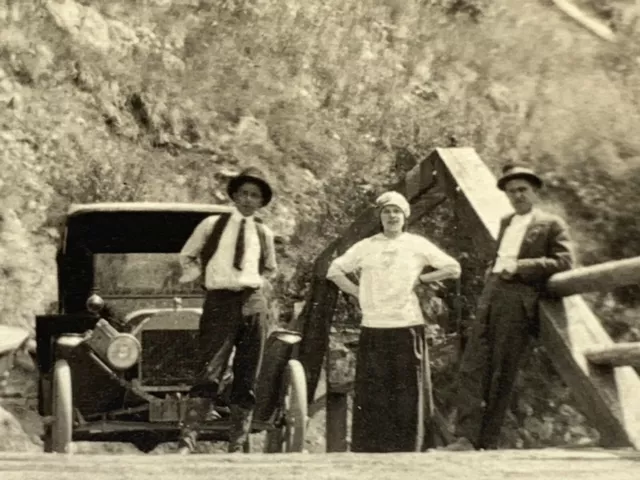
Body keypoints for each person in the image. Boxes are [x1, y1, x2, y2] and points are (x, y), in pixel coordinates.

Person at [444, 164, 575, 451]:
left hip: (519, 297)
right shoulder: (506, 222)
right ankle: (466, 438)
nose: (517, 195)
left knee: (502, 369)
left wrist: (521, 267)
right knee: (471, 365)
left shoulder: (551, 224)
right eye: (511, 191)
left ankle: (486, 441)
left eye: (522, 190)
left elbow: (564, 262)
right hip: (492, 293)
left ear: (534, 191)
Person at [326, 191, 461, 453]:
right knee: (374, 390)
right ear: (380, 216)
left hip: (407, 324)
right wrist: (358, 291)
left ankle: (410, 446)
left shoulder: (416, 244)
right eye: (386, 211)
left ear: (404, 216)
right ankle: (372, 448)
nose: (391, 216)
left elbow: (453, 267)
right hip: (374, 325)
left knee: (407, 390)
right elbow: (334, 270)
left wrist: (422, 280)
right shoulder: (366, 246)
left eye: (396, 211)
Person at [177, 167, 278, 454]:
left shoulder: (263, 232)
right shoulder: (212, 225)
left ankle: (238, 442)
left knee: (247, 372)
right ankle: (188, 439)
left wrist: (257, 290)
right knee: (210, 369)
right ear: (234, 195)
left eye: (255, 196)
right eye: (244, 193)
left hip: (252, 301)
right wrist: (204, 279)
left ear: (261, 202)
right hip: (219, 302)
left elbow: (270, 268)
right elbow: (187, 255)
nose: (248, 200)